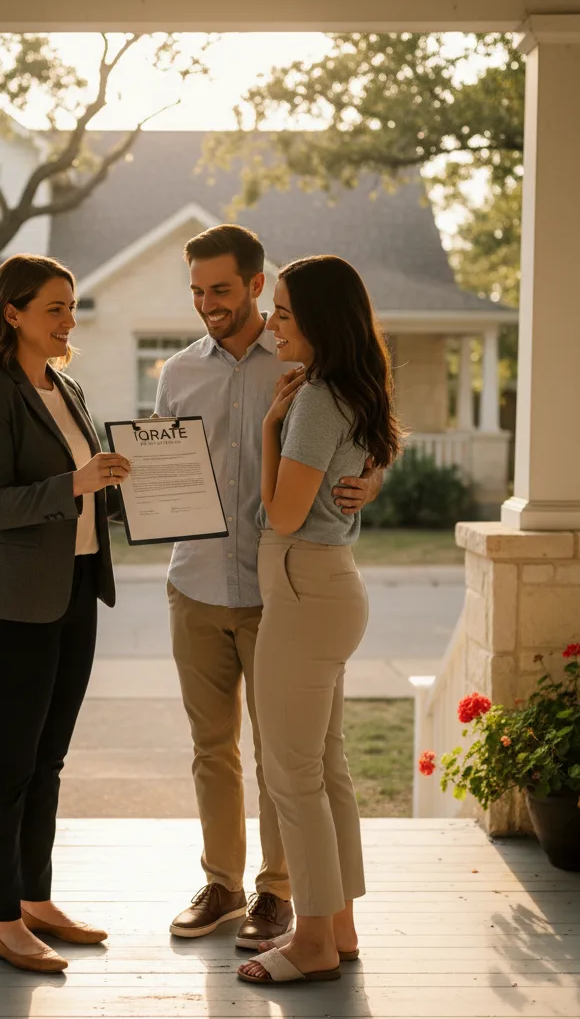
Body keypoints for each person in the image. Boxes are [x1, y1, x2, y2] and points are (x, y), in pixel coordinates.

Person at [155, 226, 382, 949]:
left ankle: (278, 895)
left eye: (220, 289)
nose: (207, 305)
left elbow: (362, 436)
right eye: (196, 292)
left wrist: (373, 479)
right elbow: (168, 465)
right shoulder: (177, 373)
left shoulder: (300, 363)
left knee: (282, 756)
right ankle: (222, 883)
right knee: (210, 746)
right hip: (194, 581)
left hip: (276, 590)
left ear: (256, 285)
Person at [0, 254, 131, 974]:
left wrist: (121, 480)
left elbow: (83, 494)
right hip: (10, 605)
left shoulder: (67, 386)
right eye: (55, 307)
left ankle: (35, 899)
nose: (69, 320)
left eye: (72, 305)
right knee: (10, 762)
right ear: (13, 313)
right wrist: (76, 481)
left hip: (76, 588)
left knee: (48, 760)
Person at [237, 255, 402, 984]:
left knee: (291, 773)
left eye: (283, 312)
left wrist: (270, 428)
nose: (272, 323)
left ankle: (311, 943)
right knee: (325, 767)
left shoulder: (316, 400)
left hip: (305, 592)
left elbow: (281, 513)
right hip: (329, 592)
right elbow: (350, 482)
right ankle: (338, 924)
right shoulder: (354, 393)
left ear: (319, 321)